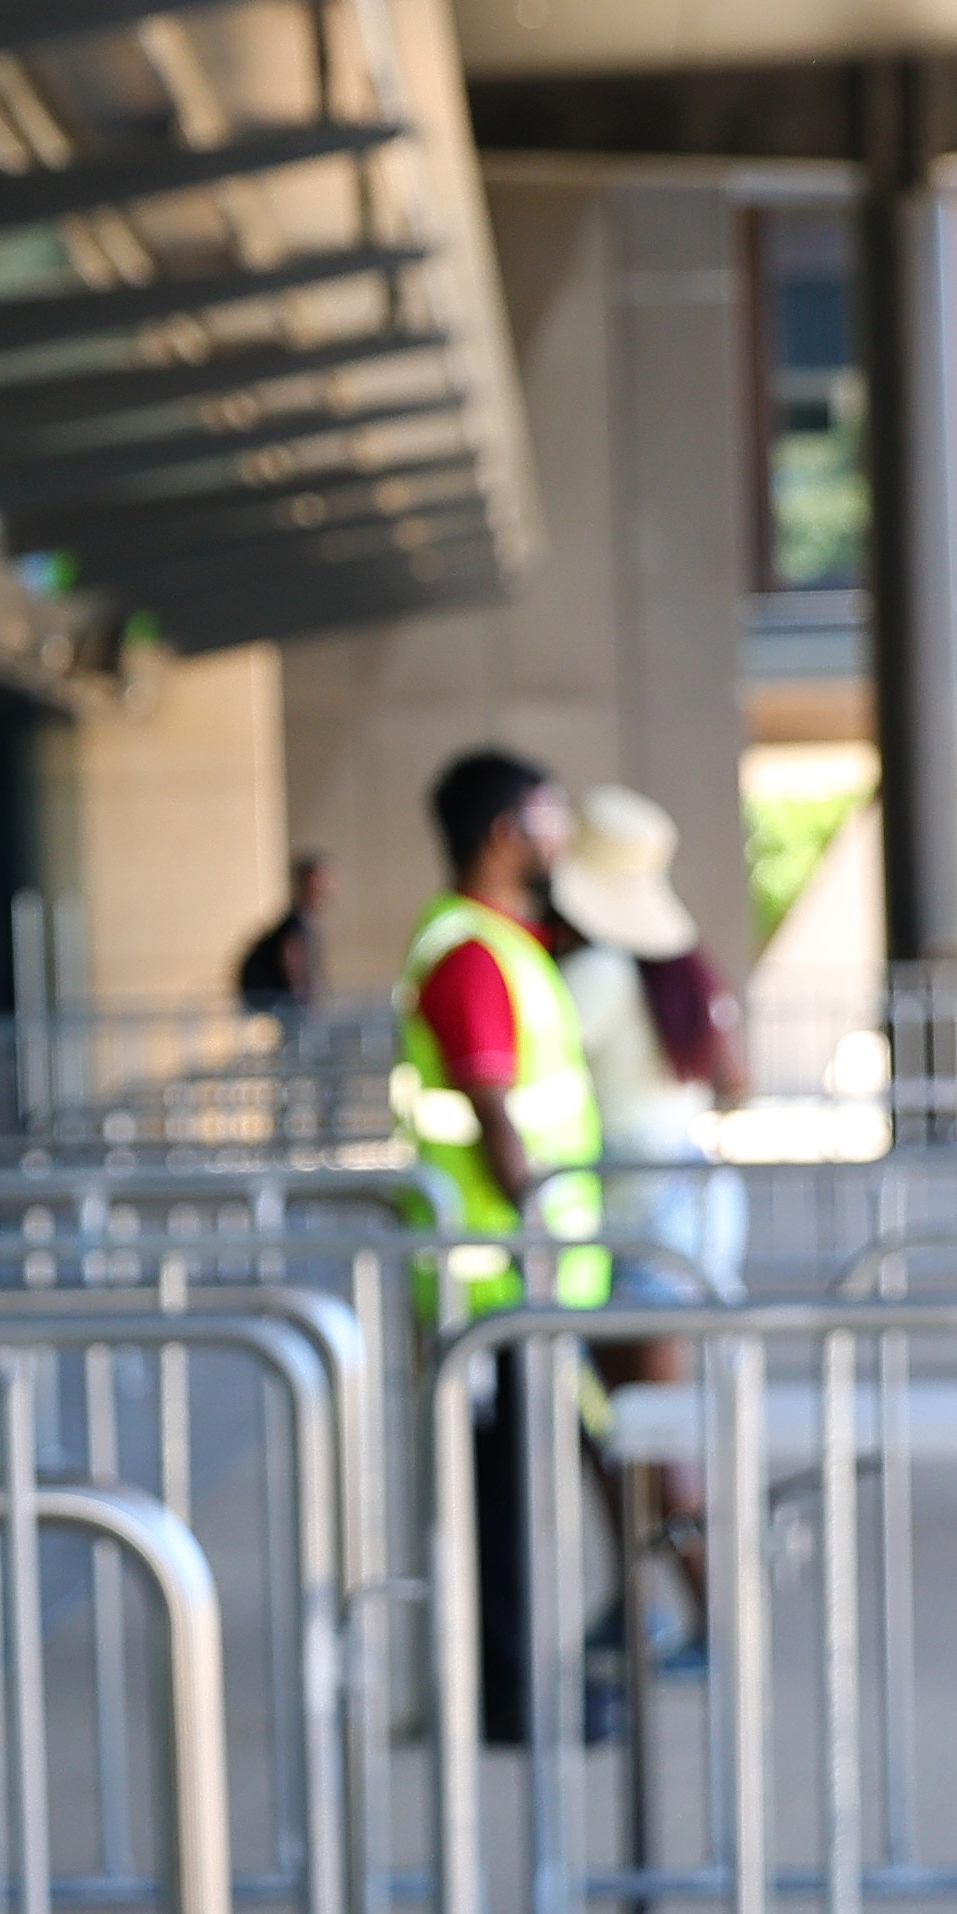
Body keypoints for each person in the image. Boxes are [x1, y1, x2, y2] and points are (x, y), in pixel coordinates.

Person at [395, 749, 607, 1748]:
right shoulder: (472, 953)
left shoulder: (500, 944)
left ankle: (512, 1688)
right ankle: (510, 1697)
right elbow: (493, 1112)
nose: (562, 837)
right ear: (503, 834)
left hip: (518, 1275)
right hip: (497, 1279)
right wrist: (534, 1216)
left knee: (514, 1501)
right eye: (549, 817)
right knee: (503, 1510)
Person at [547, 784, 747, 1674]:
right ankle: (637, 1604)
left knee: (641, 1432)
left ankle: (708, 1617)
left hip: (628, 1219)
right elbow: (735, 1078)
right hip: (683, 1210)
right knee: (621, 1428)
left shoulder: (590, 978)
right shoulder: (682, 971)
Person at [234, 849, 331, 1019]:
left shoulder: (302, 921)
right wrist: (305, 1000)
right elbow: (292, 959)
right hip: (280, 1003)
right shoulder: (295, 923)